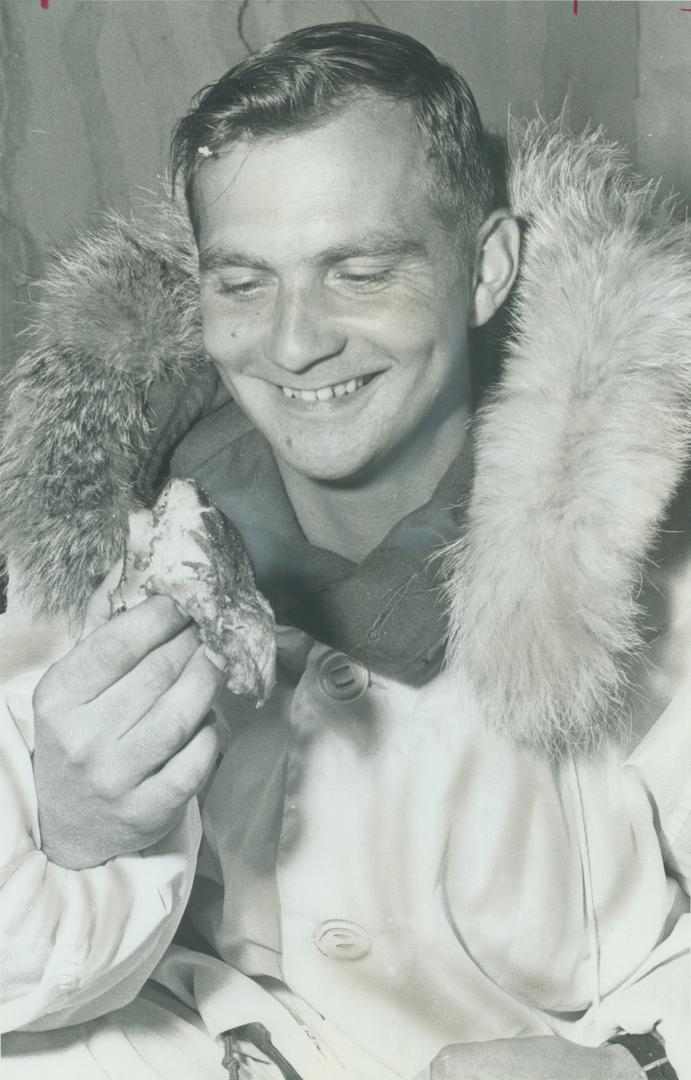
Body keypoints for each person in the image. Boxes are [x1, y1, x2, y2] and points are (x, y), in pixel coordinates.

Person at [0, 21, 689, 1080]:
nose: (291, 343)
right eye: (241, 282)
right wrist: (82, 839)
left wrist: (638, 1064)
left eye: (357, 271)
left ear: (485, 270)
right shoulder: (102, 542)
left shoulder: (648, 564)